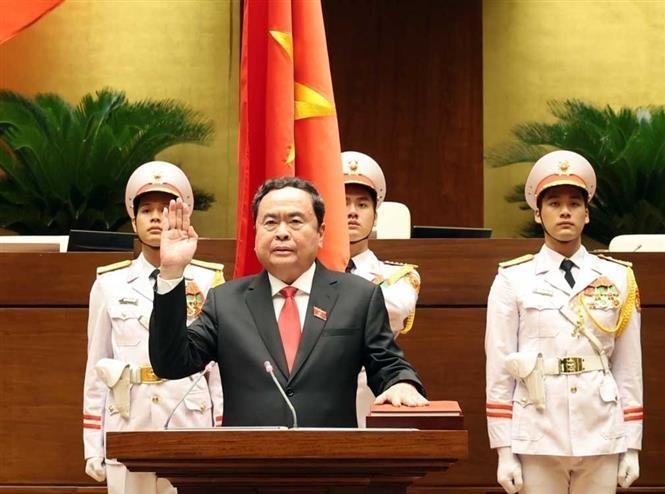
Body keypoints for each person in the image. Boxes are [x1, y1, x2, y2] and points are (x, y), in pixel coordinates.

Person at [149, 176, 428, 428]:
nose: (282, 232)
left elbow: (387, 362)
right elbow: (172, 364)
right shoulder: (225, 302)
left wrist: (401, 383)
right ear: (256, 235)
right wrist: (172, 272)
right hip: (246, 469)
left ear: (320, 233)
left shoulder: (358, 296)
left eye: (295, 221)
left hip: (332, 468)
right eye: (270, 222)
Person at [485, 150, 643, 494]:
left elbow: (629, 367)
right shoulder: (513, 279)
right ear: (538, 214)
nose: (565, 211)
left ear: (587, 215)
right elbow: (498, 368)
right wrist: (503, 449)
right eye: (554, 203)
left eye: (575, 203)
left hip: (601, 427)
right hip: (538, 428)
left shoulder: (617, 278)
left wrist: (632, 444)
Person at [82, 161, 225, 494]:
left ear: (185, 215)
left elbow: (218, 372)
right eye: (147, 209)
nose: (157, 217)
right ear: (133, 219)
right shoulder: (109, 284)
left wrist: (221, 431)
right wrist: (93, 441)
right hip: (130, 418)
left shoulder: (208, 280)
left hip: (189, 419)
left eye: (166, 208)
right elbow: (96, 367)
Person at [341, 151, 421, 426]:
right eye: (343, 203)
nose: (352, 212)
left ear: (375, 217)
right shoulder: (308, 273)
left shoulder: (398, 276)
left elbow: (394, 310)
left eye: (362, 205)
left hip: (373, 389)